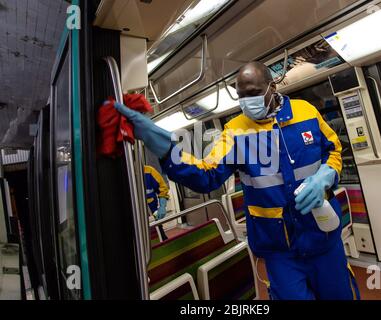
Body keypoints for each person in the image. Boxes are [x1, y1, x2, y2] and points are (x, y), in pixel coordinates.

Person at [115, 61, 360, 300]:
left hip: (322, 237)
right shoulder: (234, 131)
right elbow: (207, 175)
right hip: (278, 247)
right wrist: (168, 150)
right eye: (241, 95)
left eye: (253, 93)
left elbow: (333, 150)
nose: (247, 102)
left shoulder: (305, 111)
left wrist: (326, 175)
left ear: (271, 87)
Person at [144, 165, 169, 241]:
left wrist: (162, 206)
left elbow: (162, 188)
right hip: (138, 217)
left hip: (153, 213)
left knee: (161, 236)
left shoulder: (149, 171)